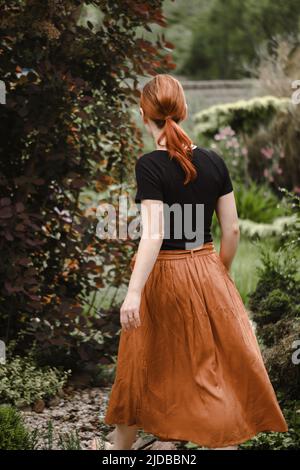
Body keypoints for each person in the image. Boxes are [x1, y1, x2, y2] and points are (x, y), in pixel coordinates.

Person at [94, 74, 288, 450]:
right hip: (206, 265)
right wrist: (219, 271)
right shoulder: (214, 161)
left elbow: (153, 233)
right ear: (182, 111)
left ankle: (123, 442)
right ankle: (207, 438)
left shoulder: (150, 165)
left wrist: (133, 292)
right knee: (206, 359)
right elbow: (231, 230)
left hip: (164, 271)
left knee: (144, 354)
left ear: (142, 114)